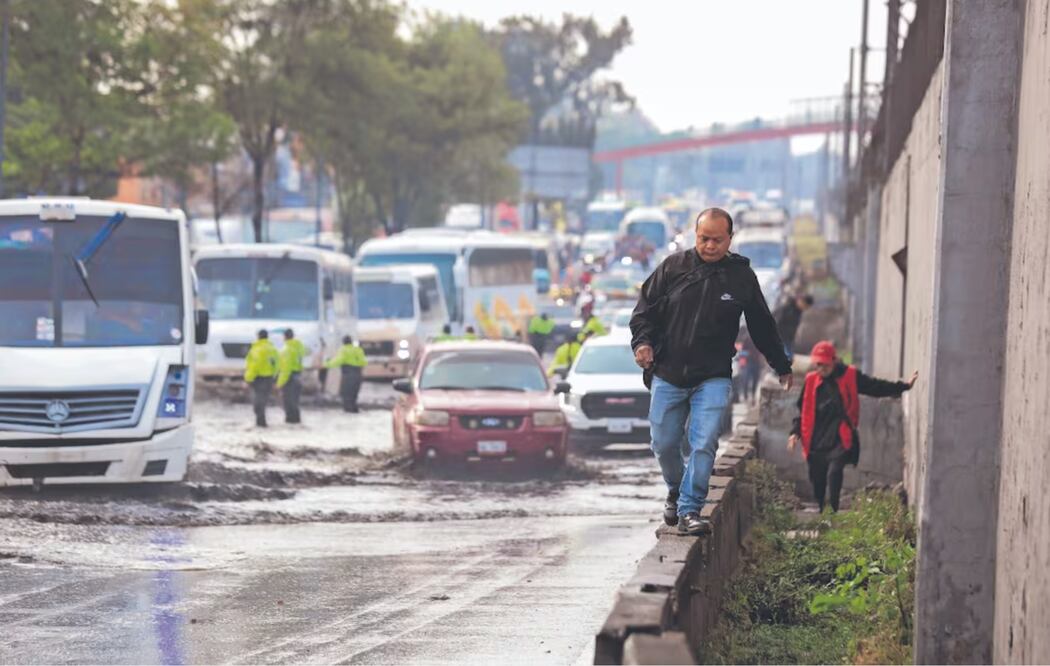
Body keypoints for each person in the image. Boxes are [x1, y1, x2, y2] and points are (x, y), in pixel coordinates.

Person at [631, 207, 793, 536]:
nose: (710, 246)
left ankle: (690, 510)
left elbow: (762, 325)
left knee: (704, 442)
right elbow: (643, 312)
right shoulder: (672, 268)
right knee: (663, 444)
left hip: (713, 376)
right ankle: (676, 490)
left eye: (717, 240)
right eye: (704, 239)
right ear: (695, 235)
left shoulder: (741, 277)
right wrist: (643, 343)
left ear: (730, 239)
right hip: (668, 372)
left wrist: (781, 365)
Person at [788, 340, 918, 512]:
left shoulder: (849, 375)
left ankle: (833, 511)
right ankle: (821, 510)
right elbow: (802, 412)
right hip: (815, 440)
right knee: (817, 480)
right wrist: (795, 433)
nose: (821, 368)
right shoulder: (811, 381)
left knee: (834, 472)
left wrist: (904, 386)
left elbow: (875, 386)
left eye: (825, 364)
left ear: (834, 361)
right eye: (818, 364)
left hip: (840, 438)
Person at [244, 329, 279, 427]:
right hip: (269, 378)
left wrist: (248, 379)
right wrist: (275, 377)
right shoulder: (273, 349)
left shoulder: (256, 349)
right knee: (263, 400)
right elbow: (277, 364)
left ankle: (260, 424)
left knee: (258, 402)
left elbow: (253, 366)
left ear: (258, 336)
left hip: (258, 379)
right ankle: (262, 423)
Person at [325, 335, 368, 412]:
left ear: (343, 342)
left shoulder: (344, 349)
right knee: (354, 395)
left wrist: (328, 363)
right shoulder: (358, 349)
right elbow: (363, 362)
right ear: (351, 341)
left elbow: (339, 360)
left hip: (348, 375)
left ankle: (348, 412)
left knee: (347, 395)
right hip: (358, 375)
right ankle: (354, 411)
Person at [276, 328, 309, 424]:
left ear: (284, 337)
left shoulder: (286, 350)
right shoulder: (299, 347)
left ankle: (290, 422)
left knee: (288, 402)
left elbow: (285, 370)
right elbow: (308, 352)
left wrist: (279, 383)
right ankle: (297, 421)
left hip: (289, 378)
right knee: (295, 401)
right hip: (298, 376)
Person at [773, 293, 815, 358]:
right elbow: (777, 321)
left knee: (789, 357)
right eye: (805, 306)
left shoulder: (798, 311)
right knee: (786, 357)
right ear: (801, 301)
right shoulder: (787, 307)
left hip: (788, 339)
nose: (805, 308)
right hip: (780, 338)